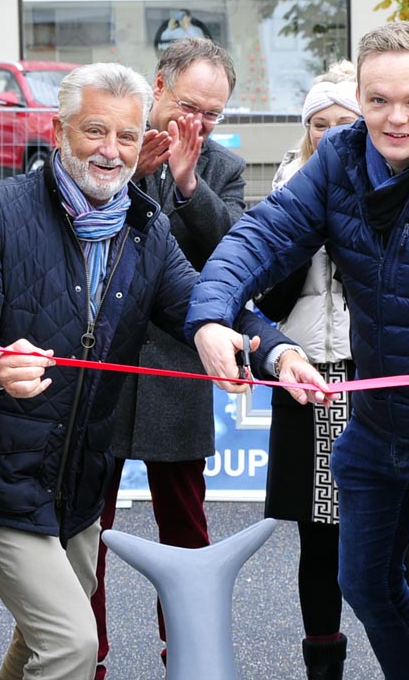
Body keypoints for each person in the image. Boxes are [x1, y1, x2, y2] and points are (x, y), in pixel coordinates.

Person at [0, 62, 325, 680]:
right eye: (94, 131)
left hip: (79, 480)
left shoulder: (146, 229)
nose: (110, 152)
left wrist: (277, 352)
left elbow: (205, 302)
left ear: (145, 142)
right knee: (70, 646)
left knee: (44, 640)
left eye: (127, 137)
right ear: (58, 130)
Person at [185, 21, 409, 679]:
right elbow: (258, 239)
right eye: (378, 99)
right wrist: (212, 316)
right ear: (360, 96)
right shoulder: (339, 160)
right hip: (374, 430)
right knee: (365, 586)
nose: (395, 117)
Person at [92, 37, 245, 677]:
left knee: (184, 524)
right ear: (158, 88)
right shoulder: (113, 137)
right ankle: (86, 655)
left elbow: (234, 252)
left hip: (177, 363)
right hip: (100, 361)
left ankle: (187, 653)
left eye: (212, 113)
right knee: (83, 528)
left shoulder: (223, 168)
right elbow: (86, 224)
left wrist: (186, 182)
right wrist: (137, 174)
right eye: (189, 106)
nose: (198, 124)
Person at [253, 60, 363, 679]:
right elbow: (266, 292)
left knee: (382, 532)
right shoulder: (288, 189)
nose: (327, 135)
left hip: (370, 372)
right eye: (316, 125)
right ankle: (323, 665)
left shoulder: (388, 182)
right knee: (317, 537)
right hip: (305, 374)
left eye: (340, 123)